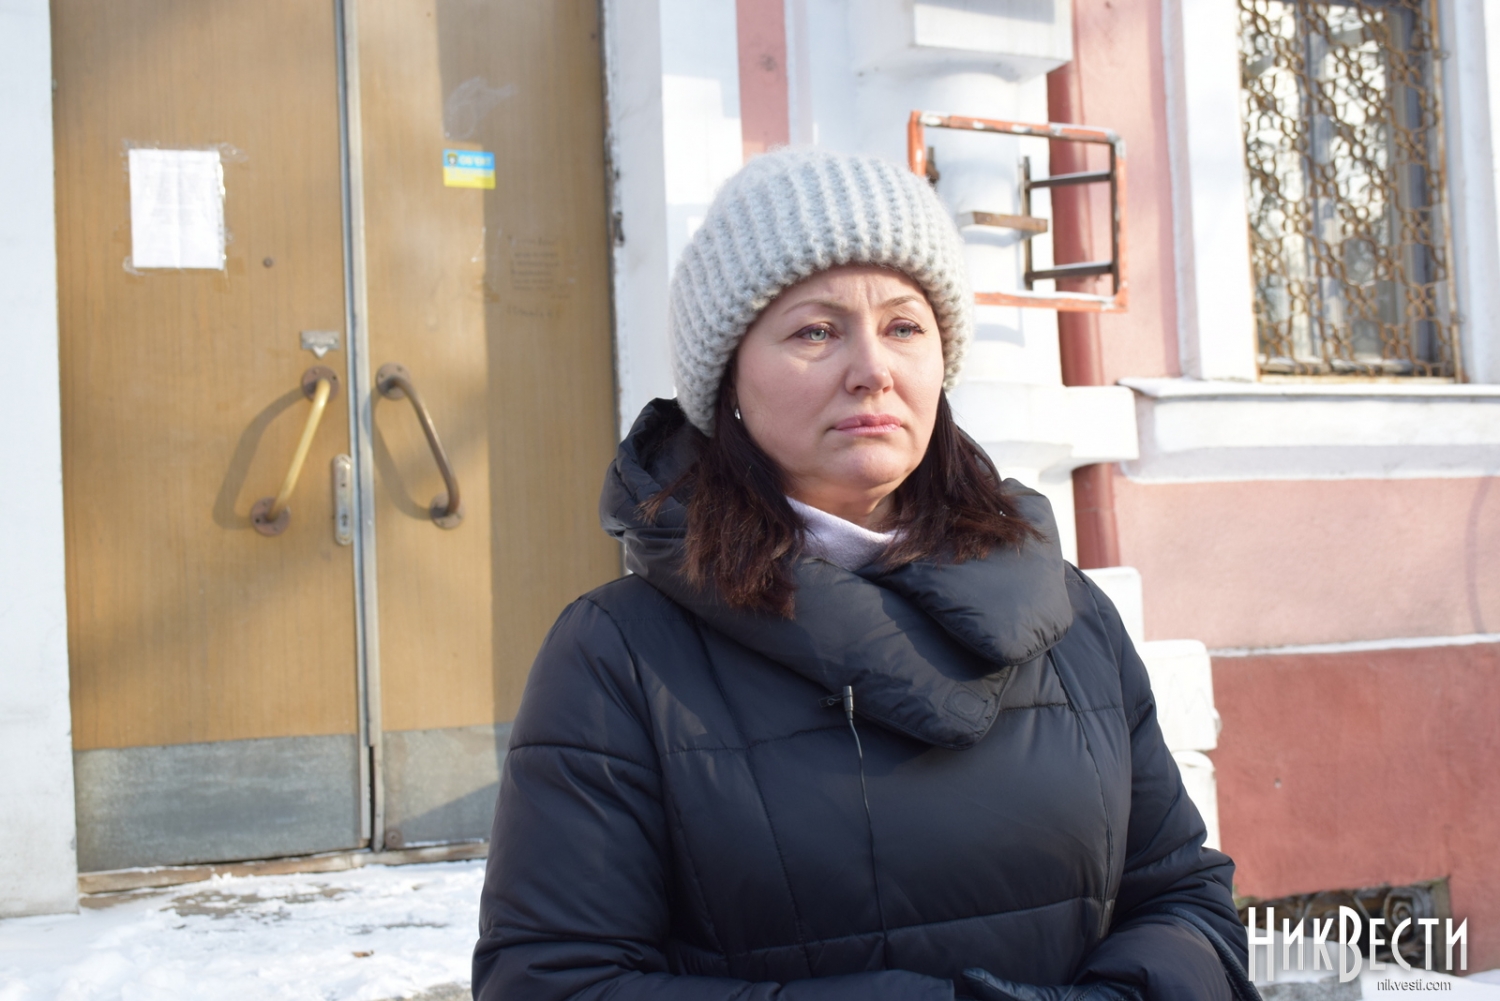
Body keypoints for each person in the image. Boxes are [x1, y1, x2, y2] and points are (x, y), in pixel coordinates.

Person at [471, 147, 1255, 1001]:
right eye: (816, 330)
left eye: (905, 327)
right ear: (728, 381)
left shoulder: (1070, 618)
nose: (872, 369)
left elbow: (1184, 898)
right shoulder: (618, 656)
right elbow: (553, 983)